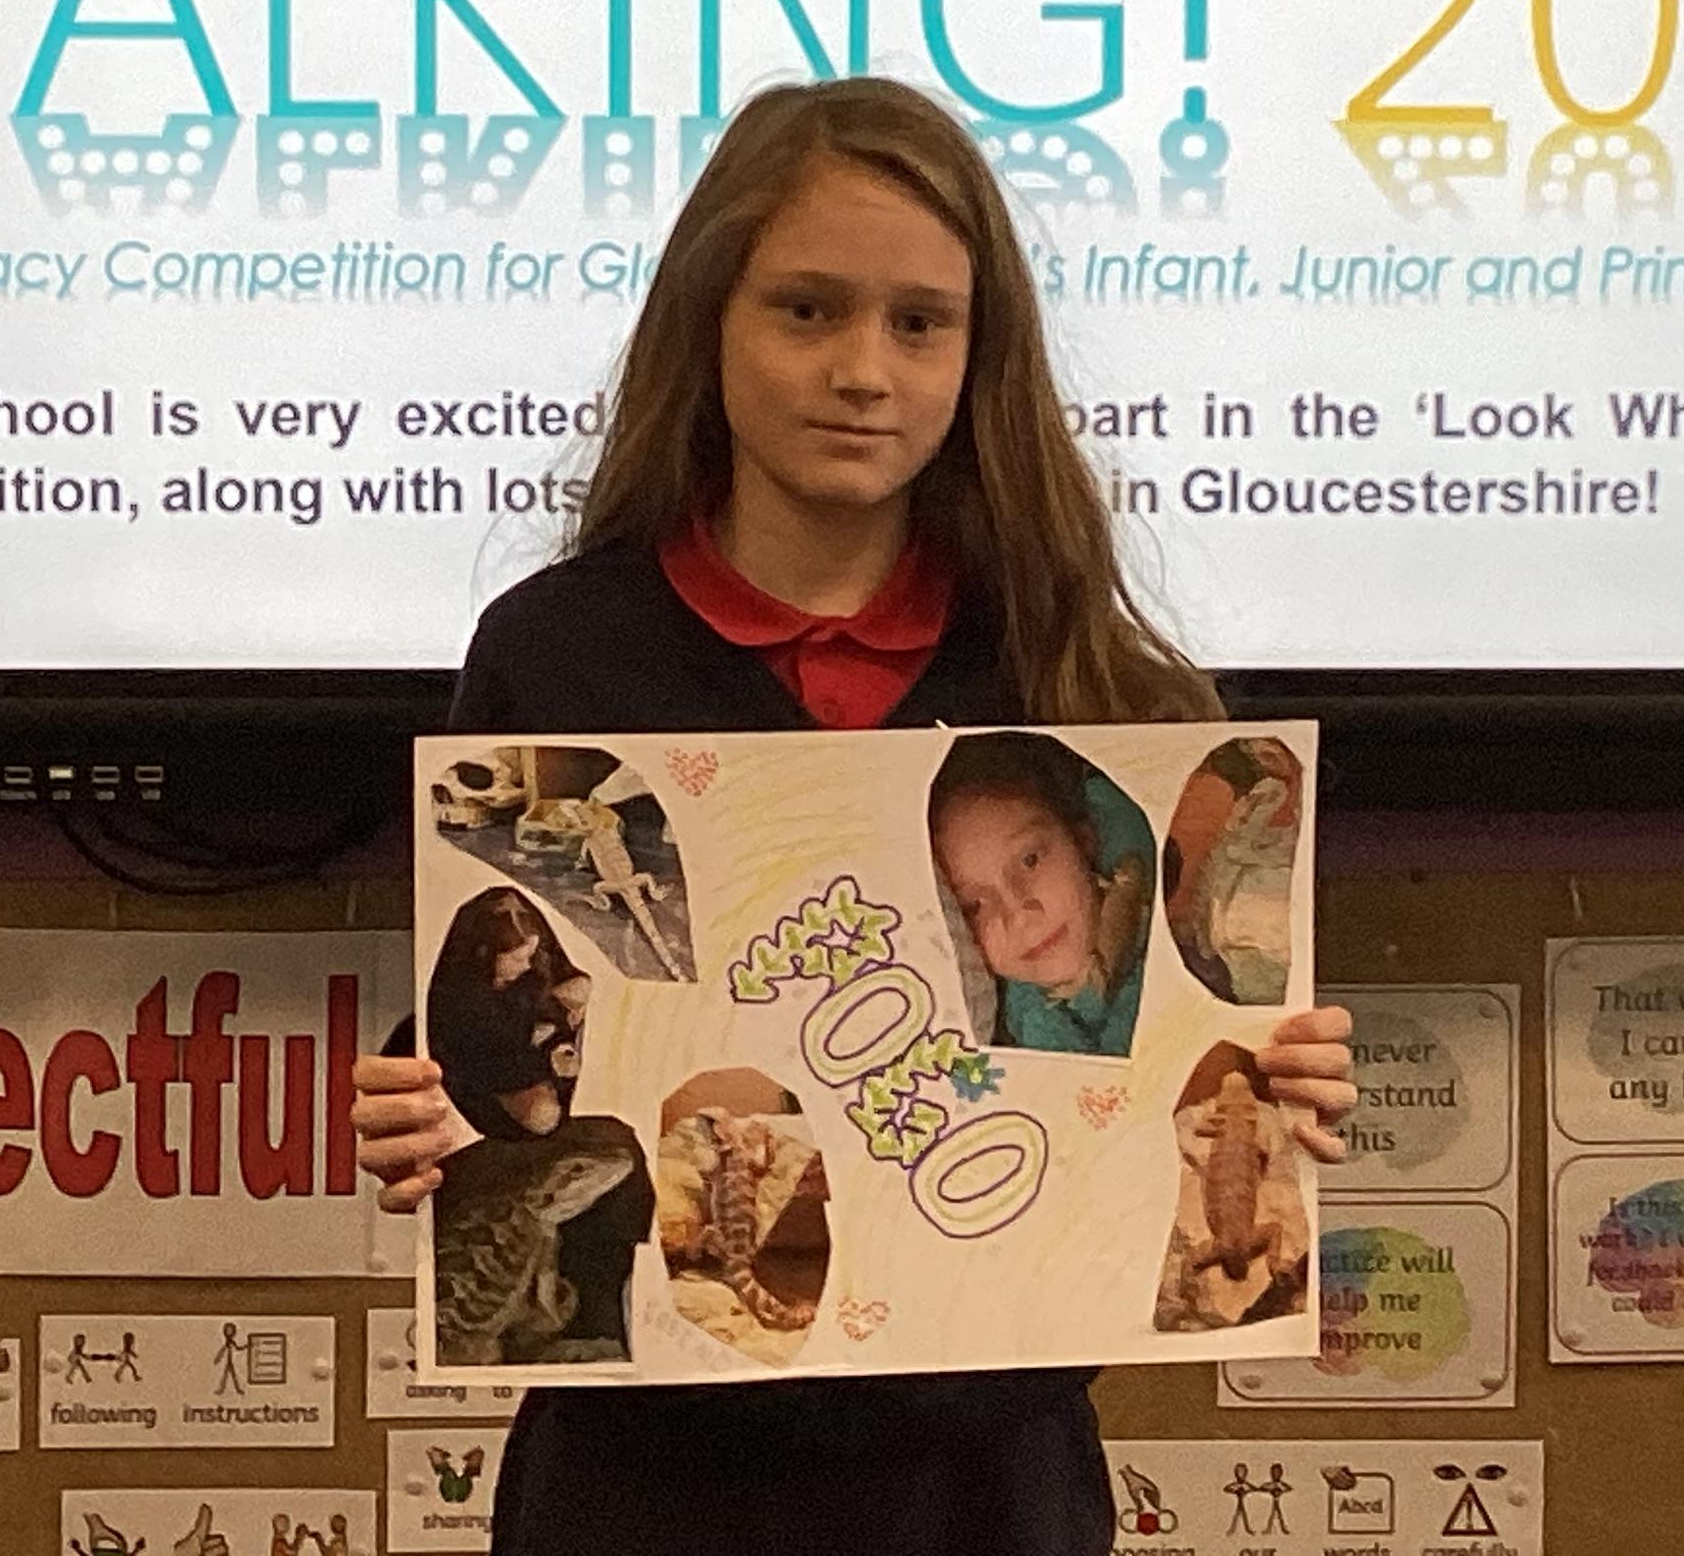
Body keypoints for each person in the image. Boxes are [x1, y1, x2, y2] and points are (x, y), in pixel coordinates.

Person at [352, 75, 1357, 1556]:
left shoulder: (1071, 669)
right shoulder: (562, 653)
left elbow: (1157, 1044)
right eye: (807, 310)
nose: (863, 370)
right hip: (646, 1487)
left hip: (979, 1488)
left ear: (979, 355)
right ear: (709, 323)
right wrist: (416, 1108)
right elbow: (492, 1019)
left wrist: (1279, 1075)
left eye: (920, 322)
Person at [927, 728, 1156, 1056]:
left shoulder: (1193, 926)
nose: (1019, 913)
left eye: (1030, 860)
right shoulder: (995, 1043)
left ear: (1083, 839)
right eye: (974, 906)